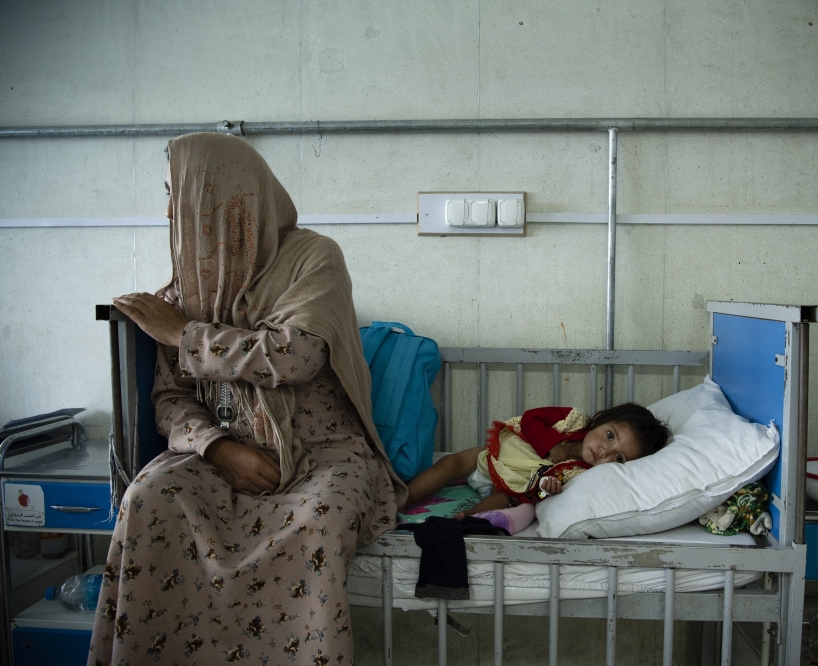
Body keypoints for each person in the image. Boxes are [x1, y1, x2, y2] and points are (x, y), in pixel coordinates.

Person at [89, 133, 404, 665]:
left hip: (320, 454)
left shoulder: (313, 258)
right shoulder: (188, 287)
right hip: (223, 452)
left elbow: (294, 354)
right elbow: (170, 398)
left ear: (220, 195)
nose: (169, 209)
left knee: (314, 524)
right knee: (148, 496)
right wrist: (216, 447)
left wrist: (183, 335)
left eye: (176, 192)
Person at [405, 403, 669, 517]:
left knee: (510, 501)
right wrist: (552, 444)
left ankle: (464, 518)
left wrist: (546, 491)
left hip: (511, 485)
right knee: (452, 462)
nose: (604, 452)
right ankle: (403, 497)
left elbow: (537, 498)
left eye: (619, 458)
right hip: (492, 459)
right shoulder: (572, 420)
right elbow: (532, 418)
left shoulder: (583, 476)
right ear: (600, 420)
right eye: (609, 436)